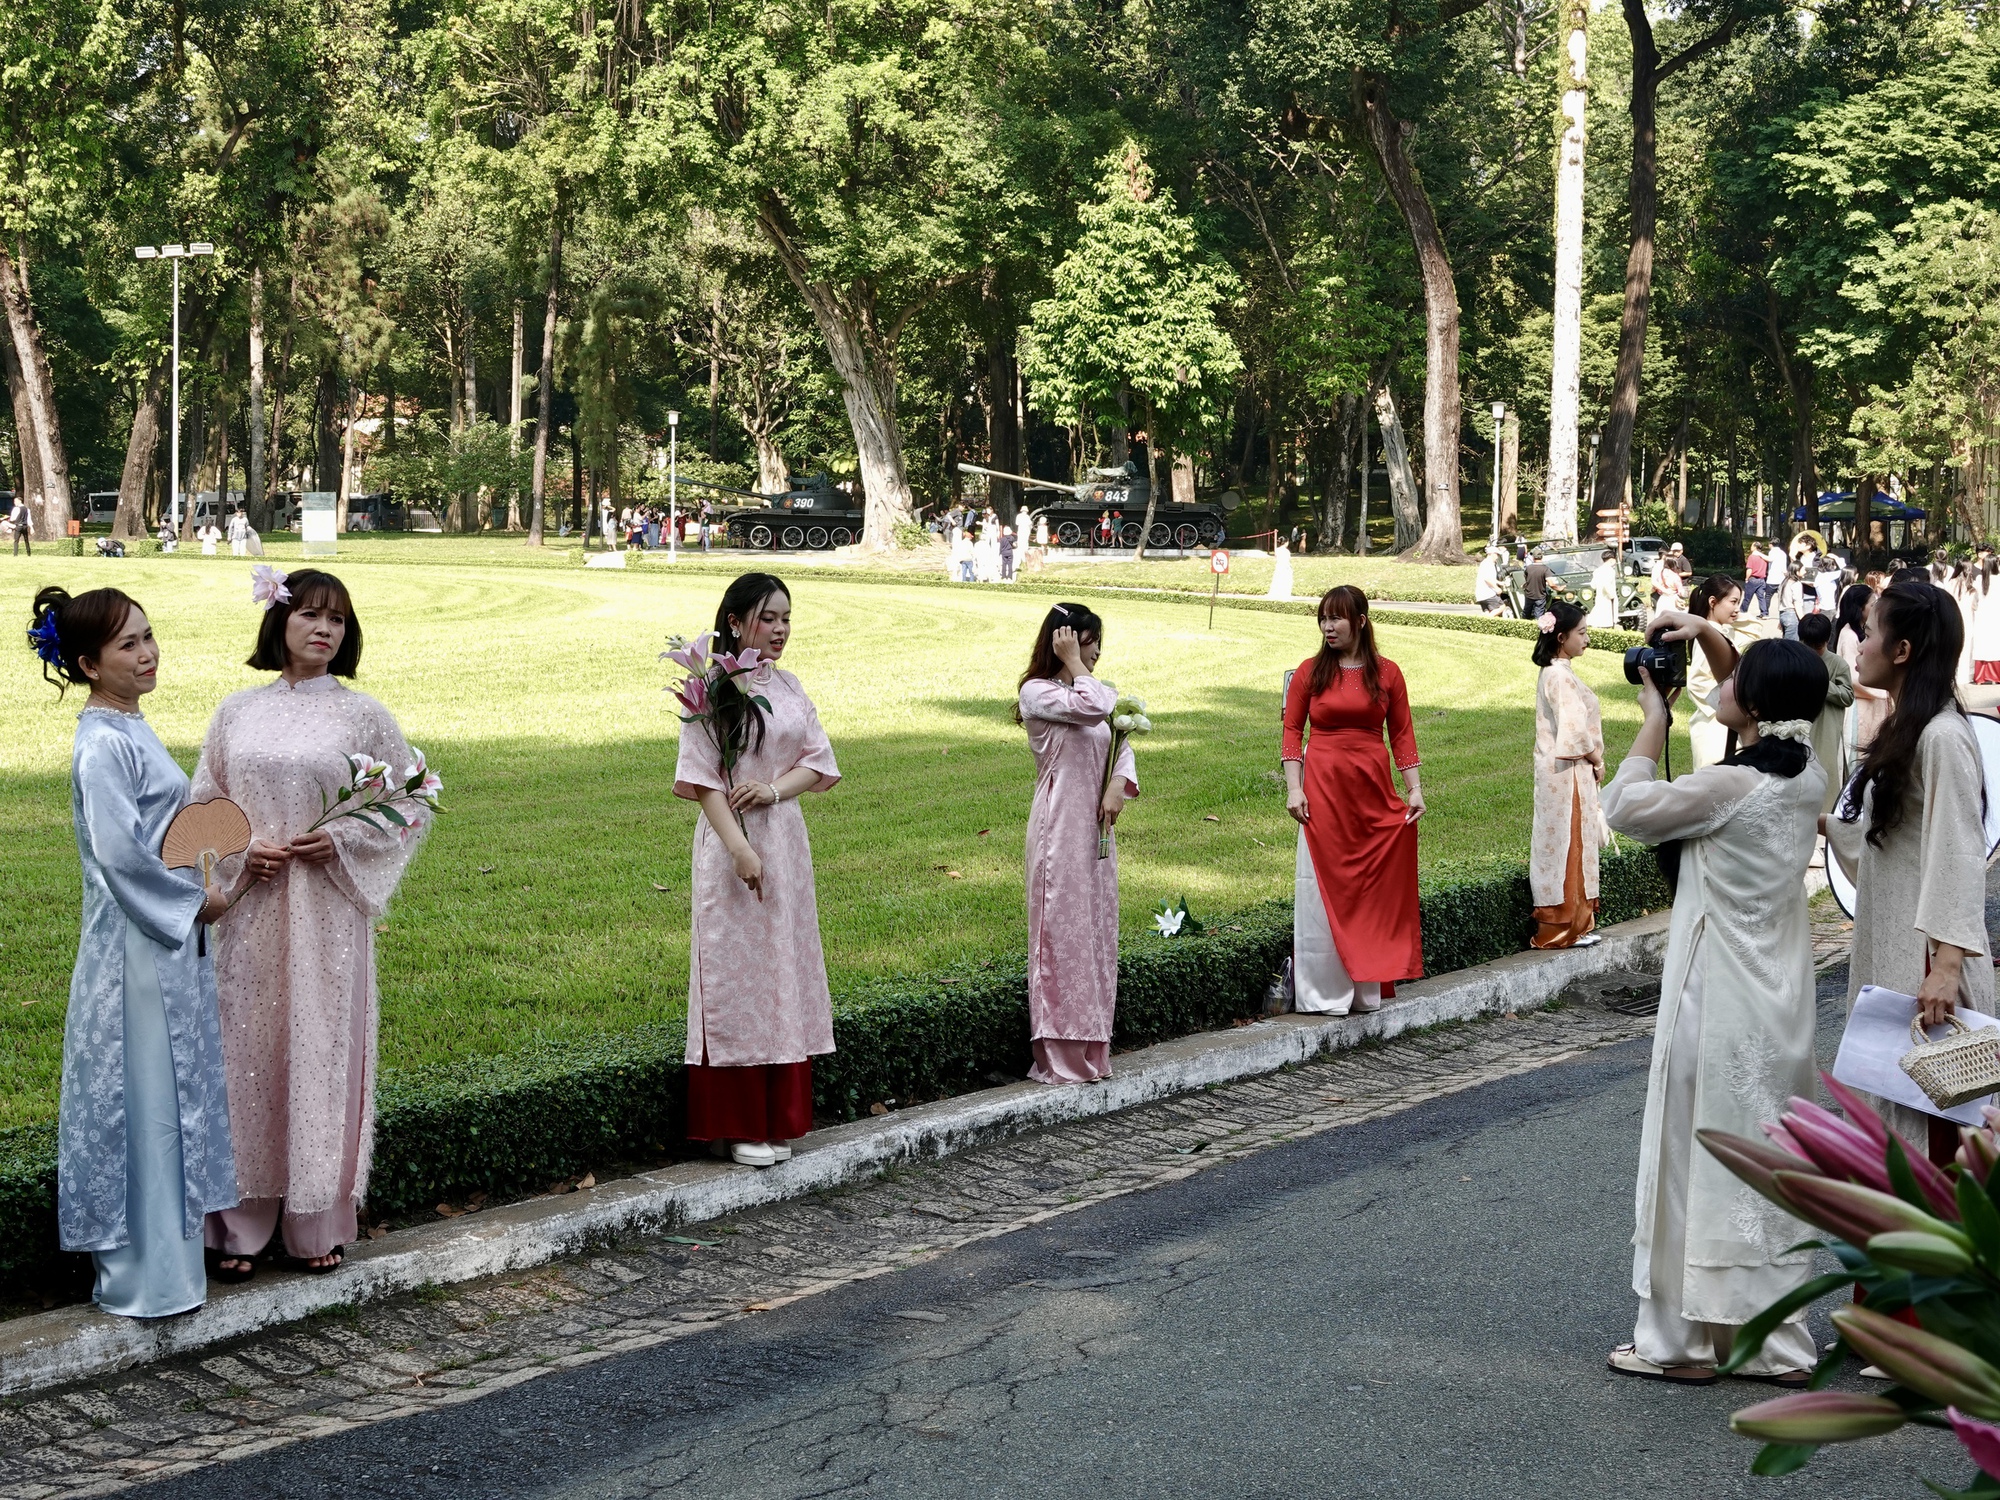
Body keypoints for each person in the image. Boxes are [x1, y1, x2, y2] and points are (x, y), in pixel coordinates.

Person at [1603, 631, 1831, 1385]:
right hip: (1780, 998)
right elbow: (1751, 700)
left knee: (1687, 1152)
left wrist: (1652, 719)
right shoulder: (1807, 771)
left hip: (1715, 994)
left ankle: (1678, 1342)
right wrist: (1707, 636)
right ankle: (1768, 1342)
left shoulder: (1731, 787)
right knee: (1762, 1159)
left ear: (1757, 706)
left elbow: (1627, 808)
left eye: (1731, 681)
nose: (1714, 683)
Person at [194, 569, 430, 1276]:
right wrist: (241, 853)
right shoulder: (236, 711)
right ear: (279, 622)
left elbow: (410, 802)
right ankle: (234, 1226)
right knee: (245, 1054)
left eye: (338, 621)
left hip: (326, 913)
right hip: (252, 910)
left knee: (319, 1049)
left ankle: (312, 1222)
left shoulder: (363, 717)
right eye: (311, 617)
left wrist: (343, 839)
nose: (324, 630)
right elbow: (203, 804)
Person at [31, 585, 237, 1315]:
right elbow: (121, 861)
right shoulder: (103, 745)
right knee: (145, 1100)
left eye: (149, 636)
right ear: (89, 664)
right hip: (136, 954)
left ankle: (172, 1272)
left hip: (162, 947)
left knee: (167, 1098)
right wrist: (196, 903)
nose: (148, 653)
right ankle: (144, 1281)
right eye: (128, 645)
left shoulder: (130, 724)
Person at [673, 573, 840, 1167]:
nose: (779, 630)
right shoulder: (711, 690)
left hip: (786, 841)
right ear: (737, 621)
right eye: (768, 618)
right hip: (729, 848)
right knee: (736, 975)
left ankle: (777, 1117)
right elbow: (702, 779)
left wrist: (771, 790)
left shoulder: (790, 687)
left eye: (787, 619)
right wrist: (739, 849)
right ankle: (738, 1121)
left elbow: (818, 763)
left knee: (780, 969)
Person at [1825, 580, 1995, 1164]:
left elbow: (1957, 850)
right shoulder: (1910, 727)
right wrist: (1821, 825)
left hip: (1925, 963)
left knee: (1934, 1133)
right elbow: (1891, 841)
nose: (1859, 645)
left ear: (1902, 651)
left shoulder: (1944, 736)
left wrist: (1947, 967)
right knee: (1894, 1115)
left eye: (1870, 633)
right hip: (1894, 945)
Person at [1282, 586, 1424, 1015]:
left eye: (1336, 618)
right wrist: (1294, 786)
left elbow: (1402, 736)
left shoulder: (1388, 673)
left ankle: (1366, 986)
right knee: (1323, 884)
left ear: (1360, 620)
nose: (1327, 626)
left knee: (1370, 887)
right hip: (1322, 787)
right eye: (1322, 618)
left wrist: (1414, 788)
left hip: (1372, 788)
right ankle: (1324, 991)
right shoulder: (1309, 672)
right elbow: (1291, 733)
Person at [1016, 604, 1137, 1084]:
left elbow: (1118, 741)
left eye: (1096, 643)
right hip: (1059, 831)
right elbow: (1095, 710)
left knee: (1096, 932)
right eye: (1087, 641)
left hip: (1097, 834)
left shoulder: (1090, 686)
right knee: (1060, 934)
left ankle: (1093, 1048)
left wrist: (1118, 786)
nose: (1096, 651)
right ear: (1062, 641)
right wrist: (1075, 665)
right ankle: (1060, 1055)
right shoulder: (1038, 692)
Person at [1529, 600, 1605, 949]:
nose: (1587, 638)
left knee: (1566, 842)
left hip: (1561, 772)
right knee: (1568, 845)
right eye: (1582, 632)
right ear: (1562, 637)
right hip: (1568, 772)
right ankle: (1563, 928)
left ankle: (1575, 925)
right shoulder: (1559, 675)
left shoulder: (1557, 671)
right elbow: (1573, 730)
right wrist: (1597, 759)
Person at [1684, 576, 1745, 770]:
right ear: (1713, 602)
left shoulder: (1717, 631)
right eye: (1733, 602)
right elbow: (1696, 682)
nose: (1737, 609)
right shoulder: (1709, 635)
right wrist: (1729, 705)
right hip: (1713, 727)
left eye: (1739, 603)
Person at [1796, 611, 1854, 816]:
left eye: (1817, 647)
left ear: (1827, 641)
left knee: (1825, 772)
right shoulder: (1795, 659)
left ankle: (1824, 821)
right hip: (1798, 727)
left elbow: (1848, 696)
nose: (1812, 651)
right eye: (1808, 646)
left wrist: (1823, 684)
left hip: (1826, 729)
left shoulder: (1837, 664)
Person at [1835, 582, 1889, 763]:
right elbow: (1852, 677)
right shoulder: (1849, 635)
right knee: (1860, 758)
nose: (1876, 608)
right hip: (1859, 706)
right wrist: (1883, 690)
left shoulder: (1861, 631)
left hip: (1871, 703)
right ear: (1859, 608)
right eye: (1872, 604)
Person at [1973, 557, 2000, 684]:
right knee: (1995, 645)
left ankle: (1980, 677)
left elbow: (1975, 598)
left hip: (1982, 615)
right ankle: (1996, 676)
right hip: (1995, 615)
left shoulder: (1979, 579)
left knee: (1982, 645)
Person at [1586, 547, 1620, 628]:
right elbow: (1607, 584)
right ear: (1612, 559)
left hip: (1599, 596)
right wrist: (1612, 596)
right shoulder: (1610, 571)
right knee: (1608, 618)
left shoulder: (1597, 570)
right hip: (1608, 598)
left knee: (1598, 617)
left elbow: (1593, 585)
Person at [1474, 548, 1507, 616]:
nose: (1497, 557)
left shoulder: (1485, 563)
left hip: (1480, 594)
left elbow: (1489, 577)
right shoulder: (1488, 564)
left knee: (1487, 612)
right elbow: (1487, 578)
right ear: (1492, 554)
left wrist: (1499, 582)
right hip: (1488, 593)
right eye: (1497, 554)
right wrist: (1496, 588)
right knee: (1502, 607)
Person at [1743, 542, 1770, 618]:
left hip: (1753, 579)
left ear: (1755, 547)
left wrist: (1746, 578)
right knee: (1761, 597)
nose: (1751, 547)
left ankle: (1743, 611)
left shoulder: (1752, 557)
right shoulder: (1763, 557)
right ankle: (1764, 613)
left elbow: (1749, 569)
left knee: (1747, 597)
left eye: (1752, 545)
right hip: (1762, 580)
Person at [1522, 549, 1550, 622]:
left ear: (1533, 557)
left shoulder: (1528, 568)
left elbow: (1526, 578)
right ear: (1542, 557)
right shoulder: (1545, 569)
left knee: (1526, 614)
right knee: (1539, 617)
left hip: (1529, 595)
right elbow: (1551, 583)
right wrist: (1559, 588)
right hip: (1540, 596)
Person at [1268, 536, 1294, 601]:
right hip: (1285, 568)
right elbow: (1287, 561)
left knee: (1277, 580)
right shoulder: (1286, 551)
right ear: (1285, 542)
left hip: (1279, 567)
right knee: (1286, 582)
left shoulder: (1277, 550)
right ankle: (1284, 595)